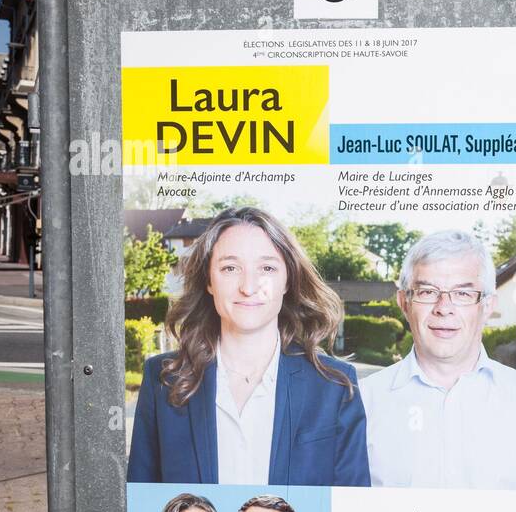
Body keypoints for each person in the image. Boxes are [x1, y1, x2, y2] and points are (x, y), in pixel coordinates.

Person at [127, 206, 370, 487]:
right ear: (209, 281)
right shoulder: (163, 379)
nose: (249, 286)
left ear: (287, 279)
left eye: (267, 268)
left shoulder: (334, 385)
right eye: (230, 268)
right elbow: (142, 509)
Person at [358, 229, 516, 490]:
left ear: (488, 306)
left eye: (463, 294)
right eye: (427, 292)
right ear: (404, 301)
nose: (444, 307)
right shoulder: (360, 404)